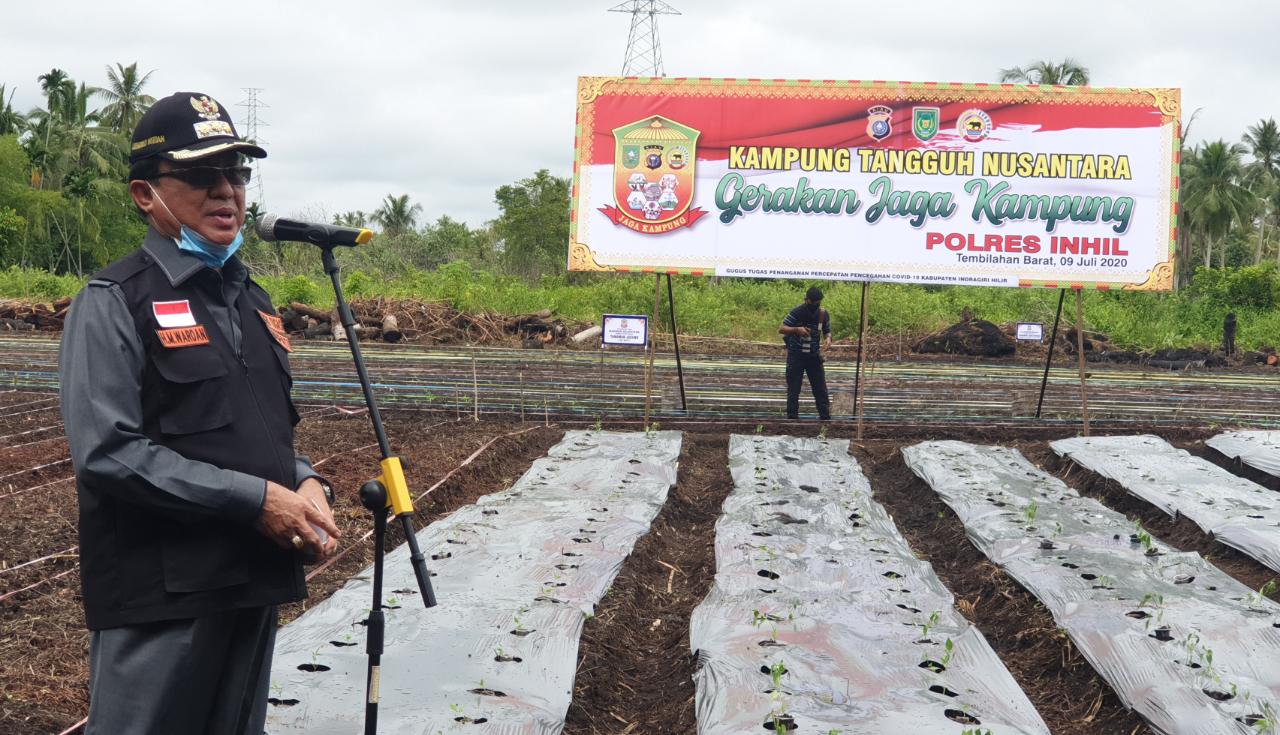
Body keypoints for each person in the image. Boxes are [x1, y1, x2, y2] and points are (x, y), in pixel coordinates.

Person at [59, 92, 341, 735]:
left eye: (237, 175)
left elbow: (259, 431)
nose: (226, 192)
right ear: (144, 193)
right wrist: (256, 501)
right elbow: (108, 452)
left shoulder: (253, 300)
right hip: (162, 597)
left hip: (252, 581)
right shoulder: (114, 301)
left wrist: (303, 481)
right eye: (200, 175)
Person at [779, 285, 832, 420]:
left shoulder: (823, 314)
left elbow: (827, 330)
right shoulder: (797, 312)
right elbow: (782, 328)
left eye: (817, 302)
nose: (815, 305)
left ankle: (825, 418)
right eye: (812, 302)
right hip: (796, 355)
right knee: (794, 388)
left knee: (820, 389)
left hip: (814, 356)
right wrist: (797, 330)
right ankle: (792, 419)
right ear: (806, 300)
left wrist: (828, 339)